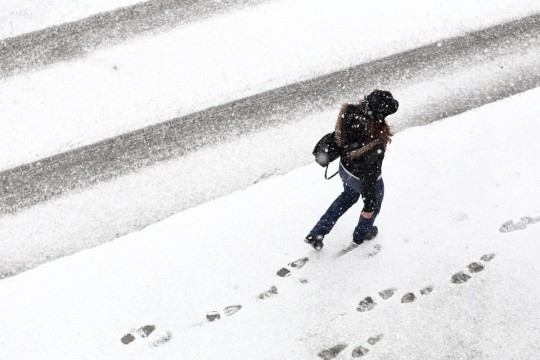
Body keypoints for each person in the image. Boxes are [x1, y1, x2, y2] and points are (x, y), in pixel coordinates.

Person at [305, 90, 399, 250]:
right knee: (375, 201)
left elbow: (339, 140)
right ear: (380, 115)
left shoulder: (350, 114)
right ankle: (362, 234)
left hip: (345, 170)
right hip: (361, 177)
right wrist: (369, 205)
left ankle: (317, 233)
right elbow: (370, 175)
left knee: (346, 198)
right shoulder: (375, 140)